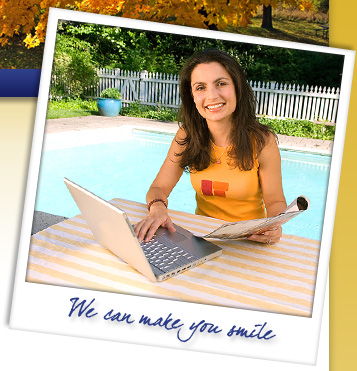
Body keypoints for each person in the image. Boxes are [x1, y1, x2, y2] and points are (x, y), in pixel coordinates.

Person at [134, 49, 287, 244]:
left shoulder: (262, 141)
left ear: (237, 88)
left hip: (249, 242)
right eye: (200, 87)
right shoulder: (187, 136)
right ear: (192, 96)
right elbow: (158, 187)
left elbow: (275, 201)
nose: (211, 96)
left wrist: (273, 225)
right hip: (203, 239)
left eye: (221, 84)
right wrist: (157, 208)